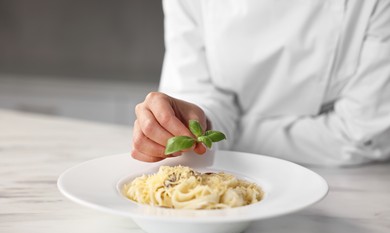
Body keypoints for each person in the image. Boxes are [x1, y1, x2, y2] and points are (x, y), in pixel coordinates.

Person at [132, 0, 390, 166]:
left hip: (352, 182)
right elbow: (197, 93)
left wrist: (229, 134)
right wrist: (193, 122)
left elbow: (364, 134)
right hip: (228, 174)